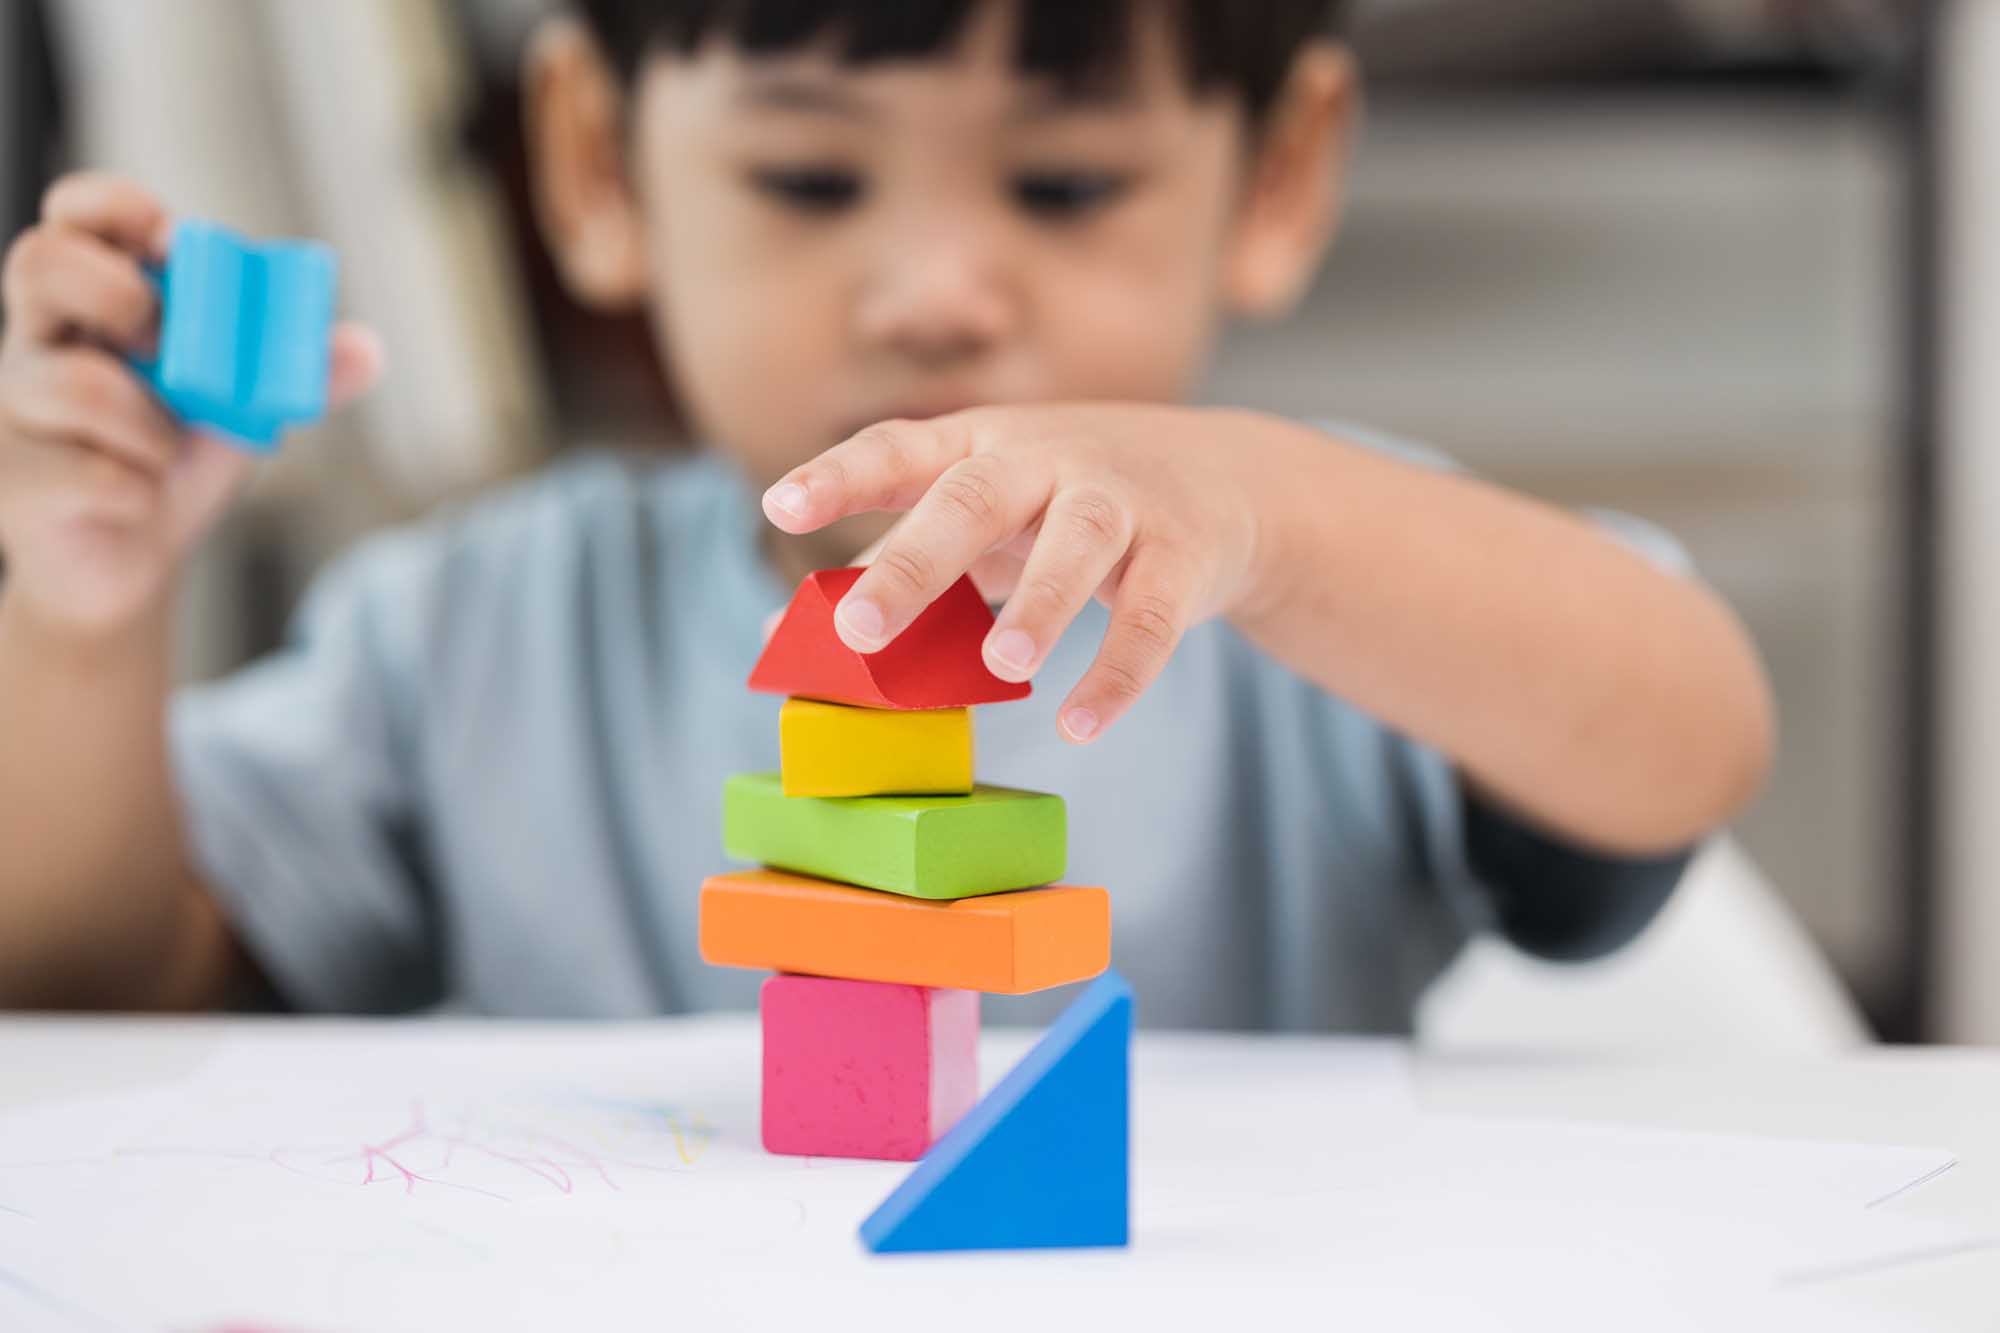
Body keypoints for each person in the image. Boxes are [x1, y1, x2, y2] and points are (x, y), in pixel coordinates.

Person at [0, 0, 1773, 1027]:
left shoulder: (1331, 584)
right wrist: (83, 613)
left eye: (1065, 183)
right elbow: (95, 985)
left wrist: (1270, 514)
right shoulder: (472, 629)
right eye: (810, 177)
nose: (934, 291)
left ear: (1279, 174)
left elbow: (1691, 734)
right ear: (601, 171)